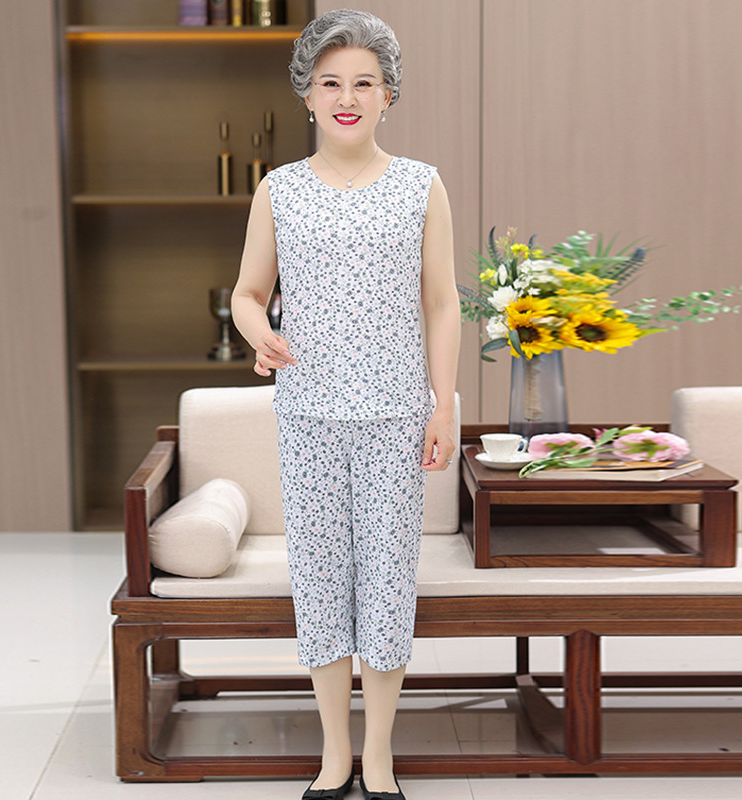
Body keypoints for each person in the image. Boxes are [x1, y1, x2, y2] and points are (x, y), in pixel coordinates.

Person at [231, 9, 460, 800]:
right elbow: (248, 292)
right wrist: (260, 333)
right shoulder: (279, 190)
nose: (347, 98)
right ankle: (335, 756)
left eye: (365, 82)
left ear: (388, 94)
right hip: (308, 417)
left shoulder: (421, 185)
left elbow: (442, 303)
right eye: (330, 83)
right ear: (307, 95)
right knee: (322, 584)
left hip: (396, 416)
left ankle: (382, 756)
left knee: (389, 584)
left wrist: (442, 406)